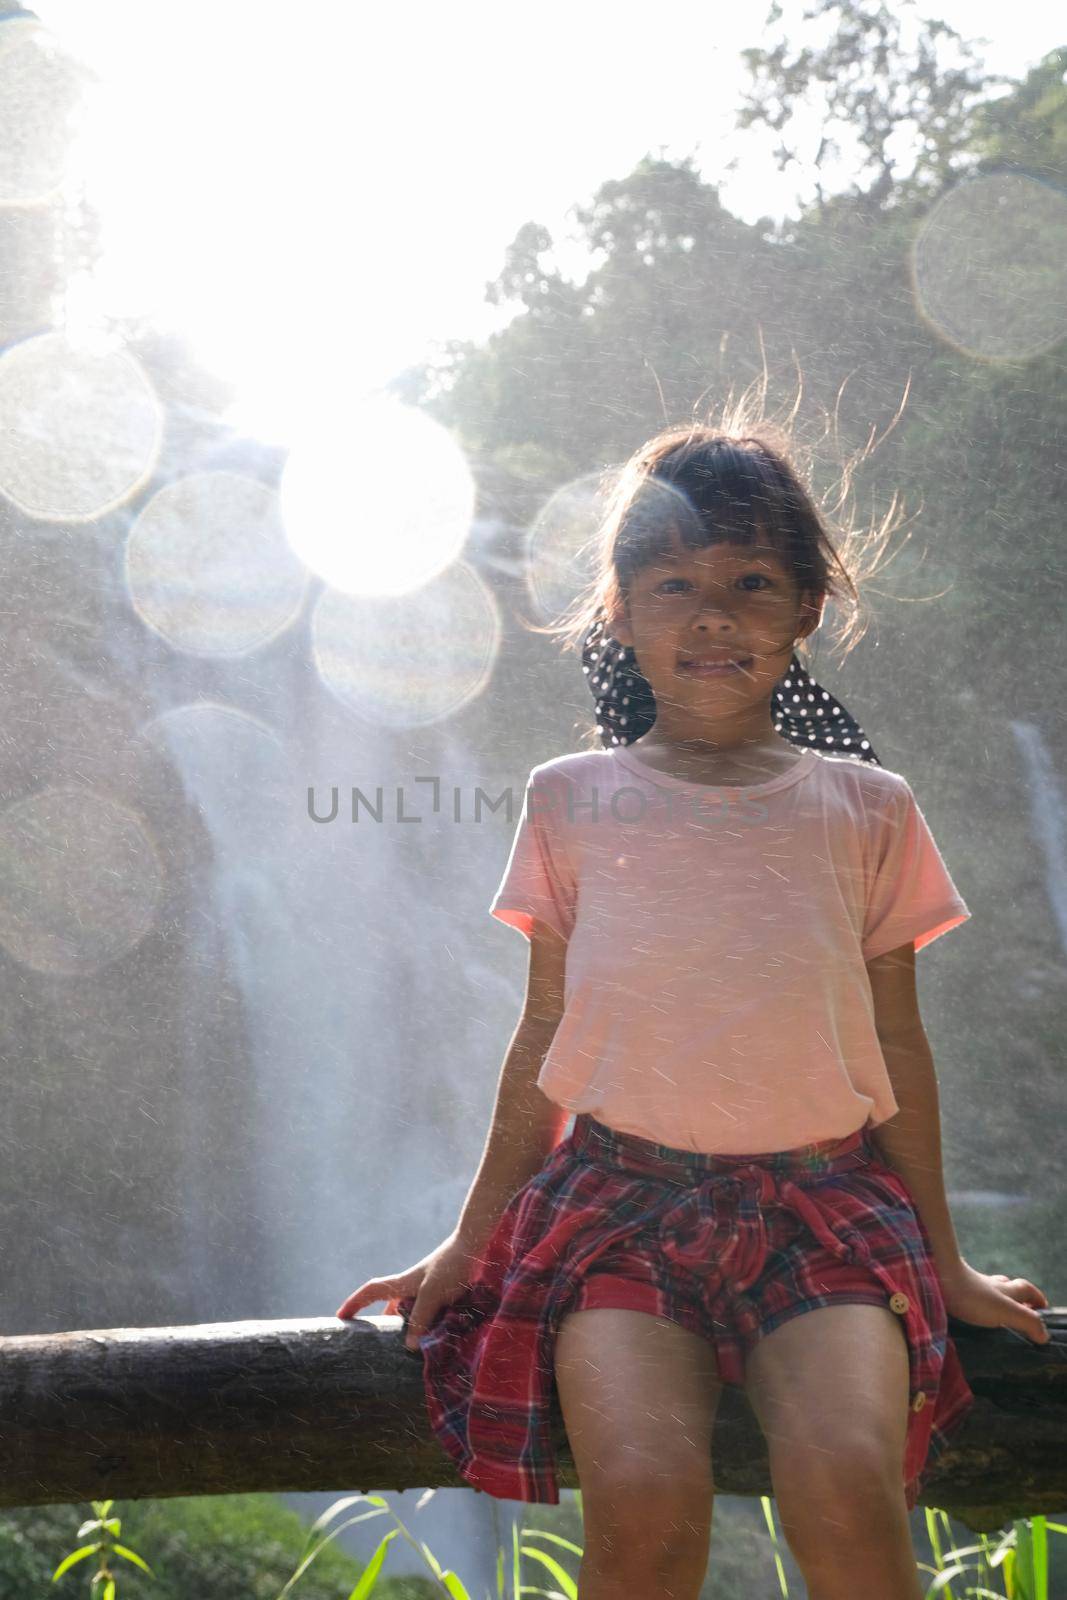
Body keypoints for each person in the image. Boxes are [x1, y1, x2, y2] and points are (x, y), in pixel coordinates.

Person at [335, 416, 1051, 1600]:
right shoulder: (572, 799)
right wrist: (470, 1240)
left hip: (823, 1206)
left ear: (806, 609)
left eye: (750, 582)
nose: (711, 613)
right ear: (617, 609)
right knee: (645, 1500)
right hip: (616, 1206)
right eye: (673, 585)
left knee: (847, 1486)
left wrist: (947, 1258)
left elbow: (898, 1041)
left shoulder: (868, 809)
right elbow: (542, 1036)